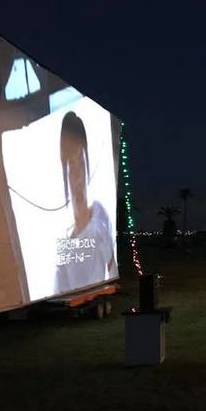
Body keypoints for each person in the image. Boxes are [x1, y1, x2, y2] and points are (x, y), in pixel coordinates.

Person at [54, 112, 117, 293]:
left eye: (81, 164)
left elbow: (112, 267)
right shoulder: (65, 238)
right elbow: (59, 288)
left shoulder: (99, 214)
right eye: (71, 167)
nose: (78, 178)